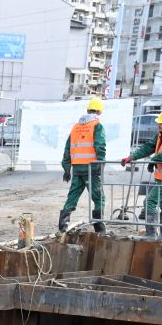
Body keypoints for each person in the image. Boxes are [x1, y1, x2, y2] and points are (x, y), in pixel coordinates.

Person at [121, 107, 162, 241]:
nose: (159, 125)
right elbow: (148, 147)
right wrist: (131, 157)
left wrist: (153, 161)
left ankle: (151, 234)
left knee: (150, 201)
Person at [60, 98, 107, 235]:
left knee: (72, 196)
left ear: (87, 110)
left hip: (77, 168)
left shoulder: (76, 127)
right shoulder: (97, 125)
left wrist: (67, 169)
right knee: (99, 198)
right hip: (91, 168)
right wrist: (100, 163)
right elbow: (100, 146)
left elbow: (67, 149)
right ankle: (99, 228)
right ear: (99, 111)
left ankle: (62, 226)